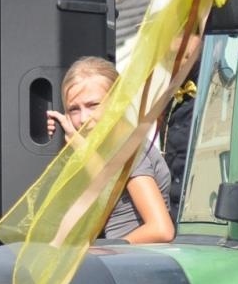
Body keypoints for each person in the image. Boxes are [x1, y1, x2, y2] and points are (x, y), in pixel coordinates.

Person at [47, 56, 176, 244]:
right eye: (74, 109)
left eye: (93, 105)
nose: (83, 118)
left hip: (127, 262)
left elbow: (161, 229)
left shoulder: (127, 148)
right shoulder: (97, 147)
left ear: (117, 102)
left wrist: (104, 250)